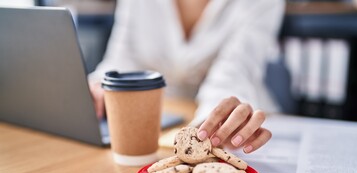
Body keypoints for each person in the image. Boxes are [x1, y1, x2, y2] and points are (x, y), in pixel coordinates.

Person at [88, 0, 285, 153]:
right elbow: (120, 61)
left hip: (236, 122)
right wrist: (98, 84)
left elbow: (234, 74)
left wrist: (218, 120)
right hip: (161, 119)